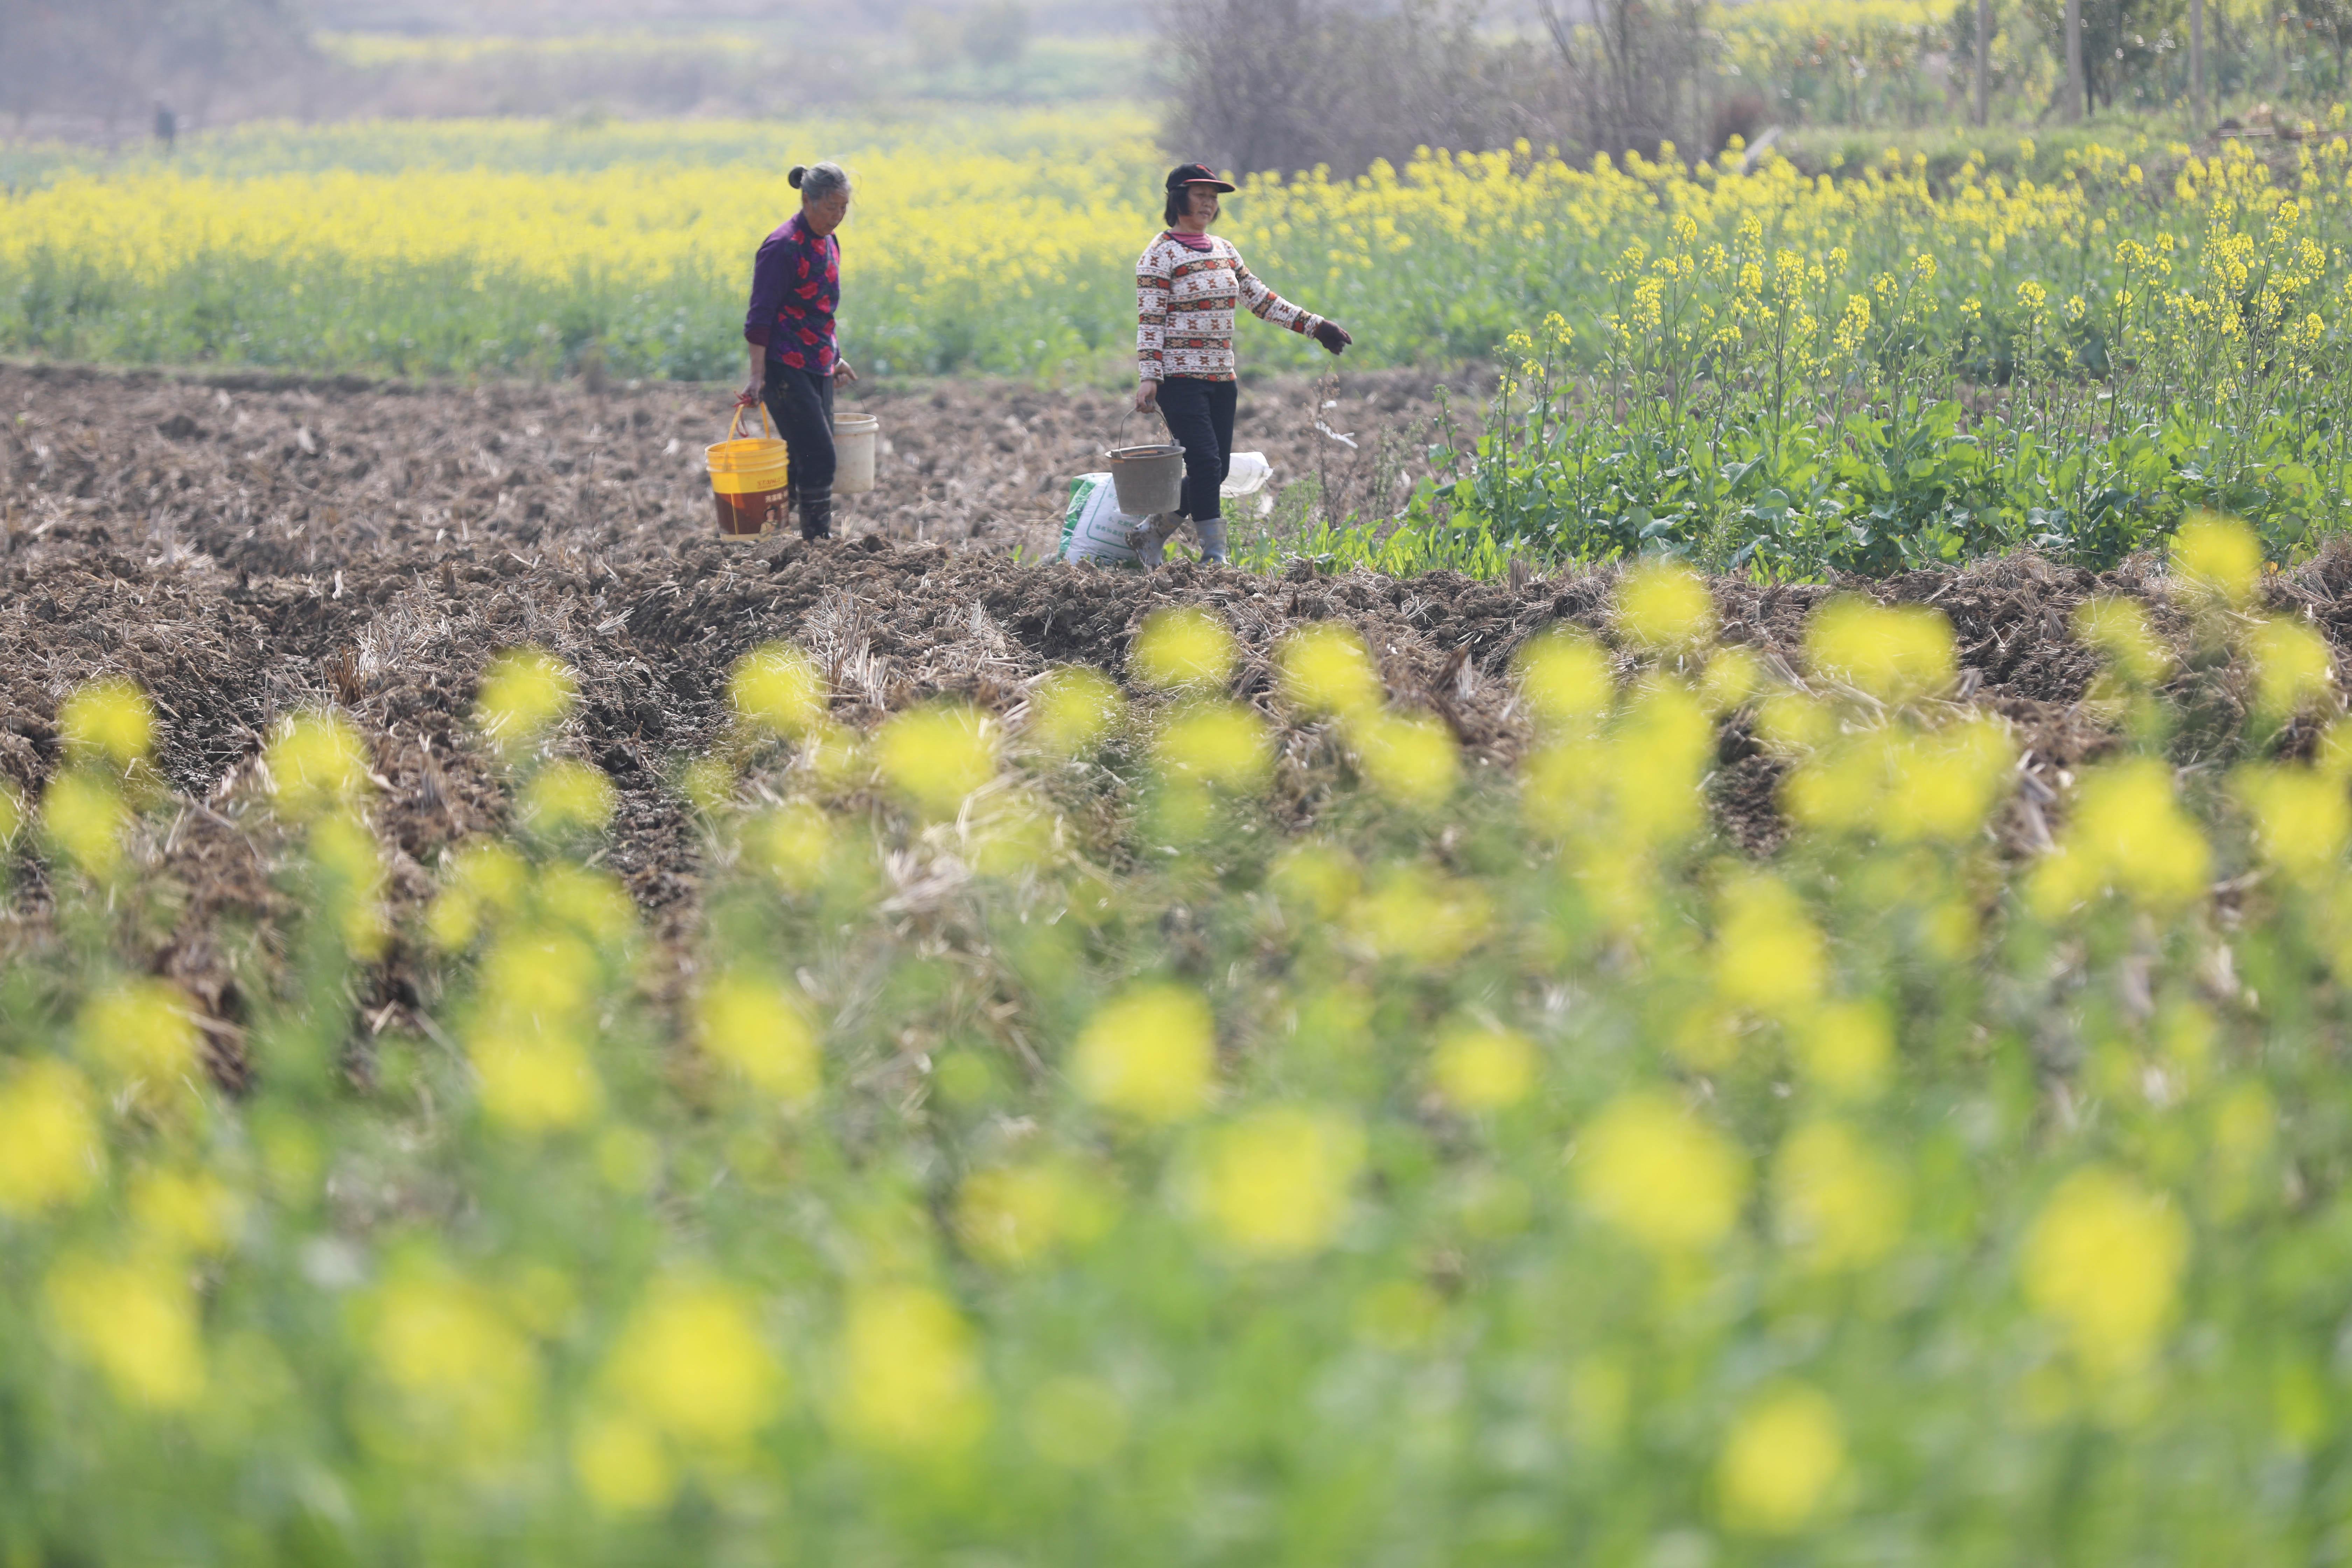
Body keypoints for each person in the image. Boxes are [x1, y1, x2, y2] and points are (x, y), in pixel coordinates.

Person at [1133, 162, 1351, 565]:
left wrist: (1315, 327)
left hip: (1222, 376)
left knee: (1214, 471)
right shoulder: (1159, 254)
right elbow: (1151, 319)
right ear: (1178, 198)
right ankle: (1215, 556)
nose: (1208, 204)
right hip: (1180, 378)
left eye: (1213, 198)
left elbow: (1261, 300)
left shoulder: (1224, 250)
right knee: (1205, 461)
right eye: (1200, 196)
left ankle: (1152, 533)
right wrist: (1150, 376)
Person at [739, 162, 858, 541]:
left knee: (800, 461)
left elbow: (823, 309)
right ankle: (816, 548)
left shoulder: (829, 242)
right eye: (830, 207)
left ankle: (768, 541)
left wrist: (835, 356)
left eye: (844, 208)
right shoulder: (782, 247)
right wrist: (757, 376)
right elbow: (760, 317)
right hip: (784, 365)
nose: (837, 216)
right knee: (820, 457)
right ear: (807, 200)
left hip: (818, 363)